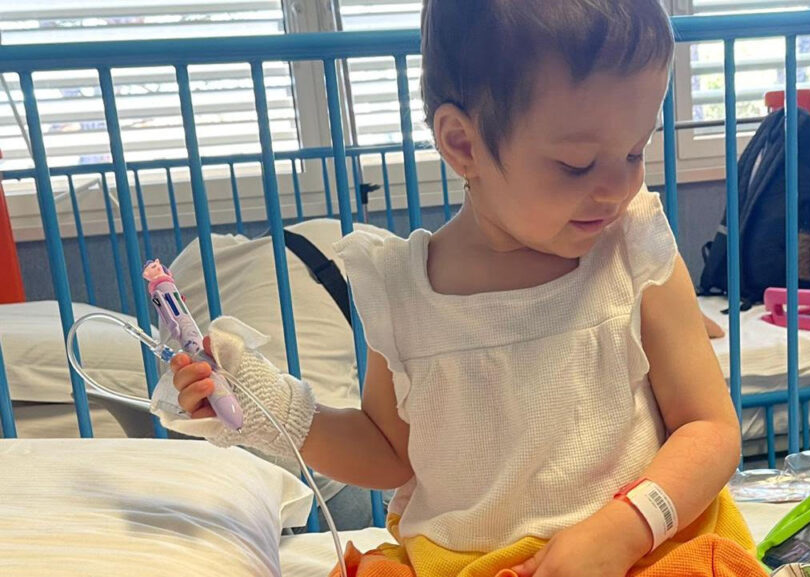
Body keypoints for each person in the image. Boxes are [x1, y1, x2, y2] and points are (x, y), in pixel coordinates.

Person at [168, 1, 753, 575]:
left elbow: (711, 430)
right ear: (463, 145)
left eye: (634, 151)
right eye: (577, 164)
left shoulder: (634, 251)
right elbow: (386, 450)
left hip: (637, 548)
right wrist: (271, 409)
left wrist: (625, 528)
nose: (617, 186)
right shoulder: (403, 293)